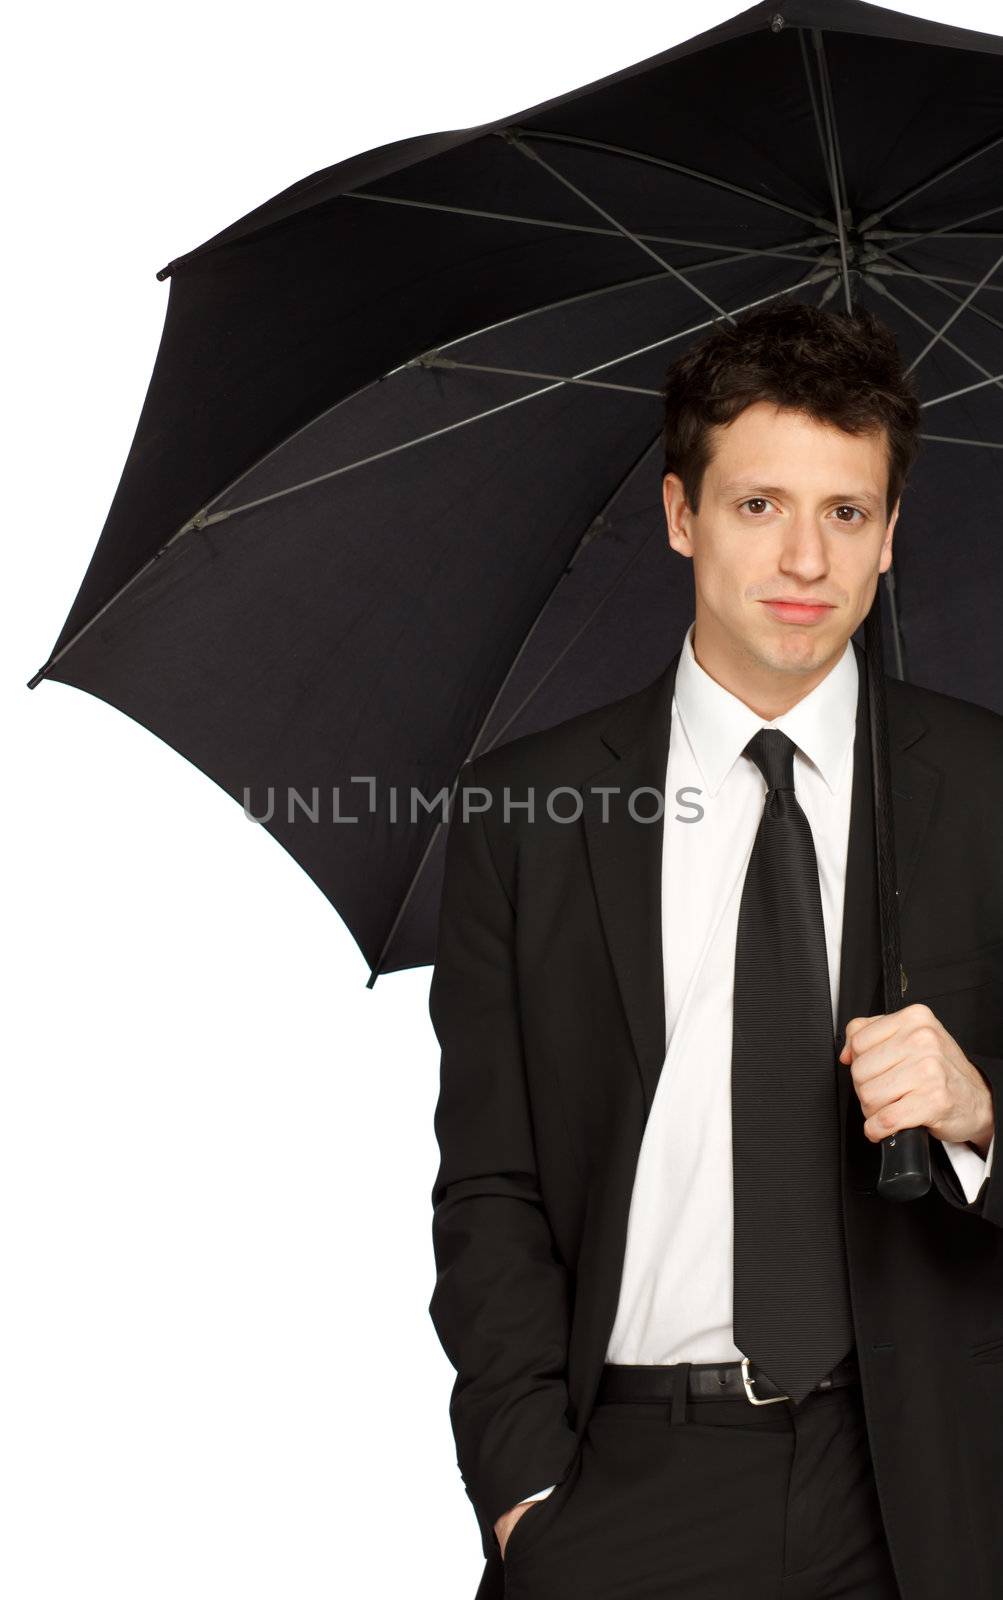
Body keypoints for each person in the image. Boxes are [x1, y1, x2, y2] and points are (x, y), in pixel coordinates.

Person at [427, 298, 1002, 1600]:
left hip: (927, 1493)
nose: (806, 557)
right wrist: (529, 1499)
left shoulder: (986, 790)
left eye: (846, 513)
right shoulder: (528, 813)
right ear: (682, 514)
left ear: (892, 536)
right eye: (759, 506)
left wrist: (979, 1114)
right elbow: (491, 1191)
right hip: (629, 1481)